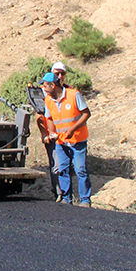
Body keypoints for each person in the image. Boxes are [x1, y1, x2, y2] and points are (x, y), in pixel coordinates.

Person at [42, 69, 92, 205]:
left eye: (45, 85)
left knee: (80, 170)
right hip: (61, 142)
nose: (43, 88)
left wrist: (72, 129)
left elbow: (86, 113)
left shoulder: (74, 95)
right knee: (63, 170)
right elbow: (49, 118)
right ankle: (66, 199)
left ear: (53, 85)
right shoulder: (48, 100)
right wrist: (52, 134)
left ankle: (85, 200)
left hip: (77, 140)